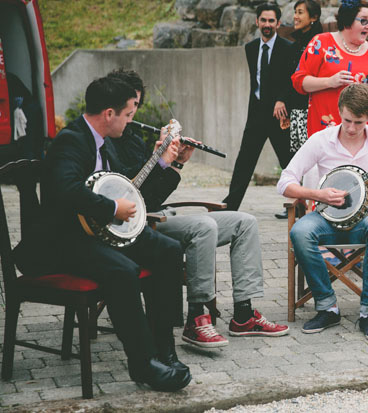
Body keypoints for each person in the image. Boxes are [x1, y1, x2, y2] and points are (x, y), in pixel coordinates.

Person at [28, 76, 192, 391]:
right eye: (129, 115)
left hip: (97, 234)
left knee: (168, 251)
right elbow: (64, 190)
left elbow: (135, 192)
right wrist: (110, 207)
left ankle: (164, 350)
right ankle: (143, 365)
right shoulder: (71, 140)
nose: (131, 122)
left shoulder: (106, 144)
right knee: (123, 270)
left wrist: (169, 165)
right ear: (108, 114)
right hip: (63, 241)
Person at [107, 69, 290, 347]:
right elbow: (129, 190)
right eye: (130, 110)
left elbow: (154, 195)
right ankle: (196, 317)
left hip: (155, 216)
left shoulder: (130, 136)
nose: (133, 117)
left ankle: (243, 314)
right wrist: (160, 160)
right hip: (133, 225)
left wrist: (176, 162)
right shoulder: (105, 143)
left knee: (245, 221)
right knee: (204, 225)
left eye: (135, 109)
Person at [278, 84, 368, 342]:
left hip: (364, 219)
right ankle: (326, 306)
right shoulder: (320, 140)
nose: (352, 128)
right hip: (325, 217)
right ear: (339, 112)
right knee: (299, 231)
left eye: (359, 122)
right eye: (347, 120)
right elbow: (284, 182)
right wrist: (319, 194)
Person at [223, 3, 294, 216]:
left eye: (271, 21)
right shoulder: (250, 48)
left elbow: (291, 80)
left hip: (278, 114)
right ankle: (230, 205)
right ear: (257, 22)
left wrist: (282, 100)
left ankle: (296, 205)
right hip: (256, 114)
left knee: (289, 162)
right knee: (244, 160)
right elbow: (257, 81)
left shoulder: (287, 48)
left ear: (278, 23)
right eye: (263, 20)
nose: (267, 24)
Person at [291, 0, 368, 138]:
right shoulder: (321, 42)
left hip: (360, 131)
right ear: (348, 20)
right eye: (363, 21)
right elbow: (299, 81)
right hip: (326, 129)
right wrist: (329, 81)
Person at [288, 0, 323, 155]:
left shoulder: (321, 43)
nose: (295, 16)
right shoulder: (295, 44)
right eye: (295, 12)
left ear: (313, 17)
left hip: (313, 110)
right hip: (296, 110)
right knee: (299, 158)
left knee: (313, 158)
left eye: (300, 12)